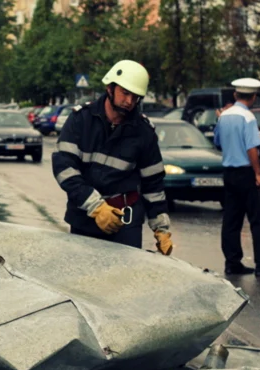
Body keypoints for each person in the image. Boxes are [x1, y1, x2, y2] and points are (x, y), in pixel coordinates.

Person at [52, 59, 172, 255]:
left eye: (135, 97)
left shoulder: (143, 132)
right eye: (125, 93)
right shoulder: (81, 120)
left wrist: (161, 228)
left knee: (124, 282)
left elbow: (153, 184)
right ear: (110, 88)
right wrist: (96, 207)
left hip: (126, 222)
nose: (129, 102)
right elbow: (64, 168)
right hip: (84, 217)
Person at [214, 78, 260, 277]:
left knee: (231, 221)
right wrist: (258, 174)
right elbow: (251, 148)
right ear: (253, 97)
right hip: (246, 173)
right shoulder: (248, 118)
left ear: (236, 95)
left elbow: (218, 143)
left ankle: (232, 262)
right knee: (258, 220)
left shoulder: (223, 117)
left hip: (229, 174)